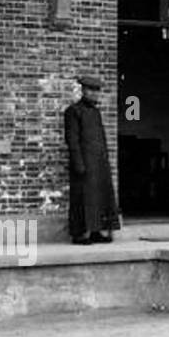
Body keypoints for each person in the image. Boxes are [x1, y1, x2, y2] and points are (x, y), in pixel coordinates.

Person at [63, 75, 119, 245]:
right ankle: (79, 234)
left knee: (98, 198)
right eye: (91, 90)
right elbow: (72, 139)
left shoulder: (95, 112)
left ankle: (96, 231)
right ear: (83, 91)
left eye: (97, 91)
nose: (94, 94)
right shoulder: (73, 111)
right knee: (82, 199)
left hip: (98, 163)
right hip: (84, 162)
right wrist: (78, 163)